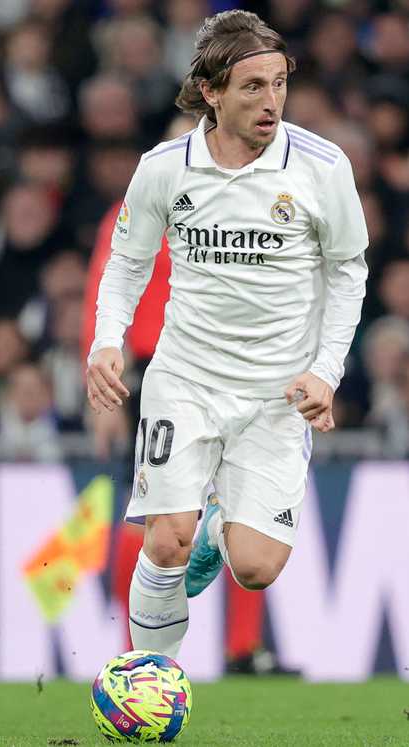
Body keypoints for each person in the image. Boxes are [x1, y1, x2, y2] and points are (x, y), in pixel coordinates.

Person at [86, 10, 368, 659]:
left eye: (279, 84)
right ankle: (150, 678)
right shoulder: (163, 168)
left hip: (276, 394)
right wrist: (108, 341)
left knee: (256, 566)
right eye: (252, 87)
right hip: (184, 377)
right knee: (164, 540)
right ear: (211, 92)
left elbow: (348, 272)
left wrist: (327, 369)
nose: (271, 102)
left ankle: (219, 526)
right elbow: (125, 261)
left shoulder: (323, 168)